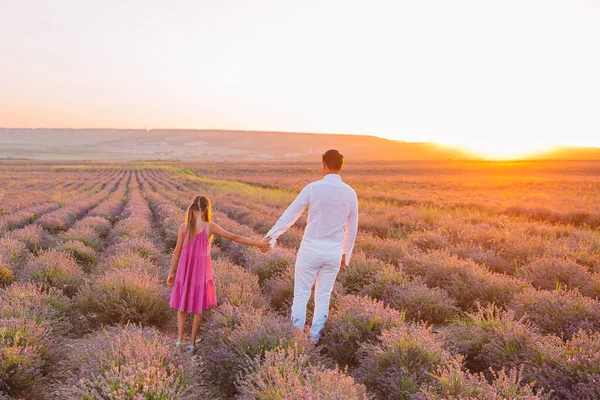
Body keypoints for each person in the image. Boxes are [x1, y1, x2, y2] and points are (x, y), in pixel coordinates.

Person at [262, 149, 359, 342]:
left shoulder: (313, 188)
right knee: (323, 297)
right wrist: (345, 255)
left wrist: (271, 236)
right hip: (333, 252)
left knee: (301, 295)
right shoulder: (350, 193)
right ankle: (315, 339)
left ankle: (296, 338)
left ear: (323, 164)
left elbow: (291, 214)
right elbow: (352, 227)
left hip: (310, 250)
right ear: (341, 166)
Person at [167, 195, 270, 352]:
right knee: (197, 308)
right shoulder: (209, 227)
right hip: (200, 273)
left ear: (193, 207)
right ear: (206, 209)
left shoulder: (183, 227)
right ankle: (192, 344)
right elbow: (235, 237)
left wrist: (171, 272)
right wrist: (259, 244)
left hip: (184, 270)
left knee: (182, 307)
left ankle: (179, 341)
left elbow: (176, 252)